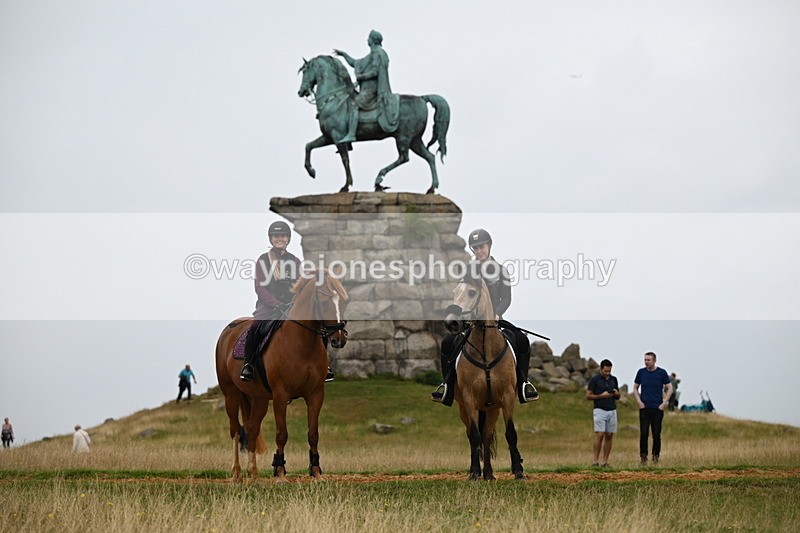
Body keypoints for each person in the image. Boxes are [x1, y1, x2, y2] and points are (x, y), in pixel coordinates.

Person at [432, 228, 538, 405]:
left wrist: (497, 313)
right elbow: (461, 294)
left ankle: (523, 385)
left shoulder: (501, 271)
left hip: (495, 319)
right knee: (447, 342)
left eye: (481, 247)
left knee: (522, 340)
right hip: (470, 321)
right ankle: (447, 387)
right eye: (475, 248)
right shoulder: (468, 270)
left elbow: (507, 298)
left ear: (489, 246)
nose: (479, 251)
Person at [240, 221, 335, 383]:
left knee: (319, 327)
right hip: (269, 307)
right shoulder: (263, 260)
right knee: (255, 327)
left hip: (291, 306)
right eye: (276, 236)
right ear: (271, 239)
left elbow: (301, 285)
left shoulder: (295, 261)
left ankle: (323, 366)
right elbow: (260, 288)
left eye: (283, 236)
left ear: (288, 239)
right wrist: (276, 303)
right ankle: (248, 365)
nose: (279, 239)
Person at [333, 29, 399, 143]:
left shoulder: (378, 53)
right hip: (366, 90)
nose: (367, 39)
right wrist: (344, 55)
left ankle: (351, 134)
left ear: (373, 40)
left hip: (371, 91)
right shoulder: (372, 54)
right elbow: (355, 63)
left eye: (369, 38)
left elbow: (375, 72)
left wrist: (361, 77)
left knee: (354, 104)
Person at [632, 352, 673, 465]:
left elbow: (670, 388)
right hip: (644, 408)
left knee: (656, 435)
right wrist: (638, 401)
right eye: (645, 359)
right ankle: (643, 458)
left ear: (654, 360)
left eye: (648, 360)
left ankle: (655, 458)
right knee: (644, 434)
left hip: (657, 408)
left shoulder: (661, 373)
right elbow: (635, 387)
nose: (646, 362)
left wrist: (664, 403)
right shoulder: (641, 372)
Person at [586, 359, 620, 467]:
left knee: (609, 435)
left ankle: (605, 461)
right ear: (601, 369)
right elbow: (588, 396)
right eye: (605, 371)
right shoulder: (594, 380)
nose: (607, 373)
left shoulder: (614, 379)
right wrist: (601, 395)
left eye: (609, 371)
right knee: (600, 434)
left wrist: (616, 394)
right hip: (599, 409)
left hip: (612, 409)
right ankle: (595, 461)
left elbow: (618, 396)